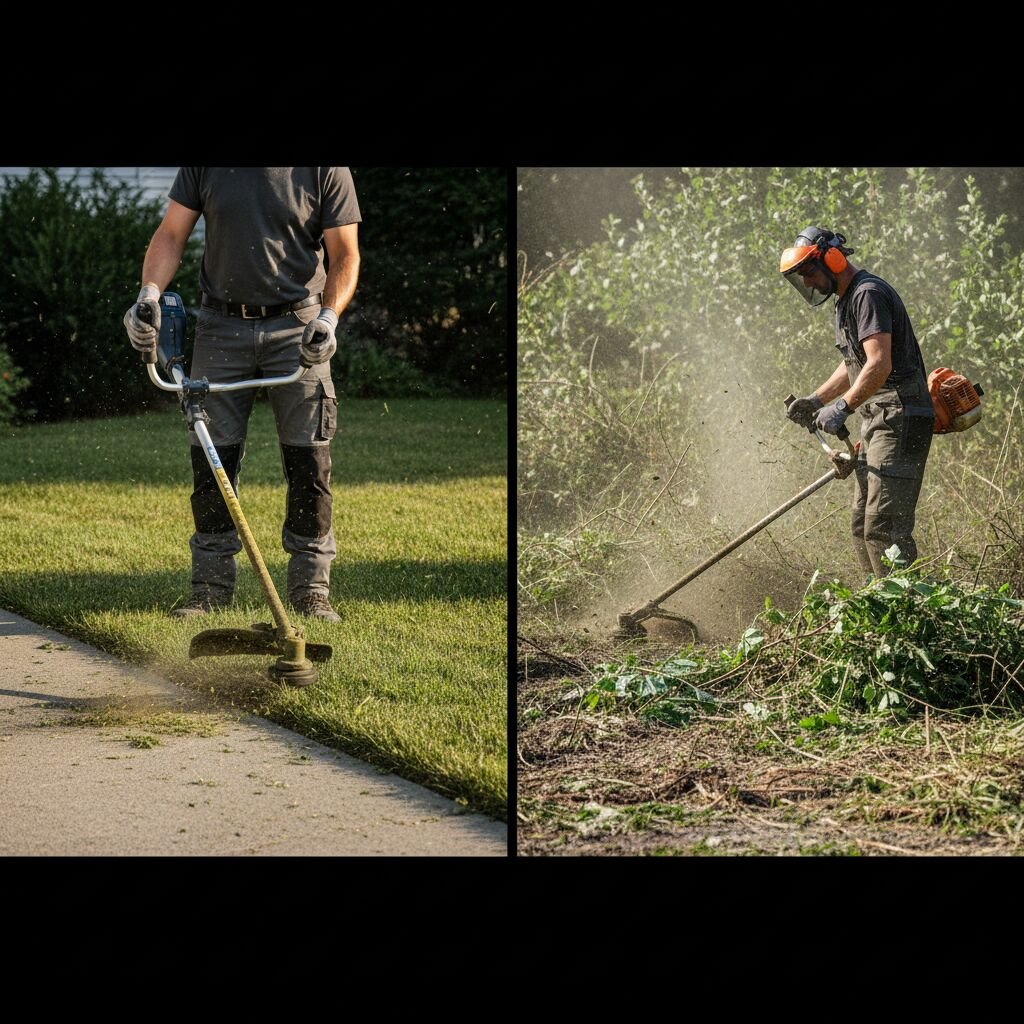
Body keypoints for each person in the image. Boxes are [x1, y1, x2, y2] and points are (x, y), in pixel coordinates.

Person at [122, 167, 361, 621]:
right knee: (212, 460)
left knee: (309, 461)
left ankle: (311, 591)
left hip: (300, 326)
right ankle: (210, 588)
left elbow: (344, 254)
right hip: (221, 327)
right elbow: (171, 234)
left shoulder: (324, 169)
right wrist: (149, 294)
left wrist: (328, 318)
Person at [781, 226, 934, 578]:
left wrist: (843, 406)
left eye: (809, 273)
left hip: (899, 415)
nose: (807, 284)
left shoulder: (868, 294)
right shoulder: (846, 301)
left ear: (832, 259)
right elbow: (855, 361)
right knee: (861, 522)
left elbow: (879, 363)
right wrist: (817, 399)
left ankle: (905, 614)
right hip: (880, 418)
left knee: (884, 526)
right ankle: (878, 603)